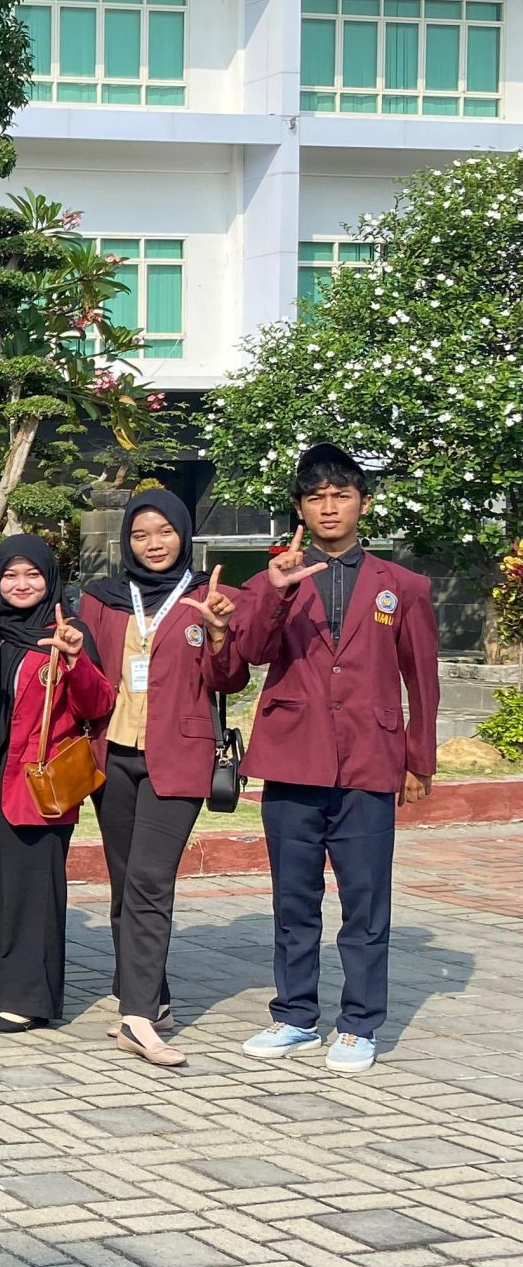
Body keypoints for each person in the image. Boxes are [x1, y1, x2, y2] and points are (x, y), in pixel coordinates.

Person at [234, 444, 441, 1073]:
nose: (329, 506)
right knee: (293, 899)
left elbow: (421, 677)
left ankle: (359, 1024)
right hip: (293, 758)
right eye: (316, 496)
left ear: (363, 503)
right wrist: (274, 589)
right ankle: (295, 1015)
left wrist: (419, 759)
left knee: (365, 898)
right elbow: (249, 650)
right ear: (299, 507)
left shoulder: (401, 586)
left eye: (340, 494)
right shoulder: (271, 578)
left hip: (369, 760)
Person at [77, 492, 246, 1067]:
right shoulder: (101, 599)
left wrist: (221, 635)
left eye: (165, 532)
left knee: (151, 880)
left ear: (183, 534)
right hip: (113, 754)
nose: (154, 543)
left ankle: (138, 1017)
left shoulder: (208, 597)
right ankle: (148, 993)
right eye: (142, 533)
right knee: (126, 884)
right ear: (127, 539)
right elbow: (86, 678)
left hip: (179, 755)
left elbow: (230, 680)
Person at [0, 536, 113, 1035]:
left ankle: (30, 998)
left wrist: (74, 660)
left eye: (33, 574)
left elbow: (98, 704)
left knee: (35, 891)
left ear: (50, 578)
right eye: (10, 574)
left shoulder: (68, 631)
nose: (21, 584)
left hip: (40, 780)